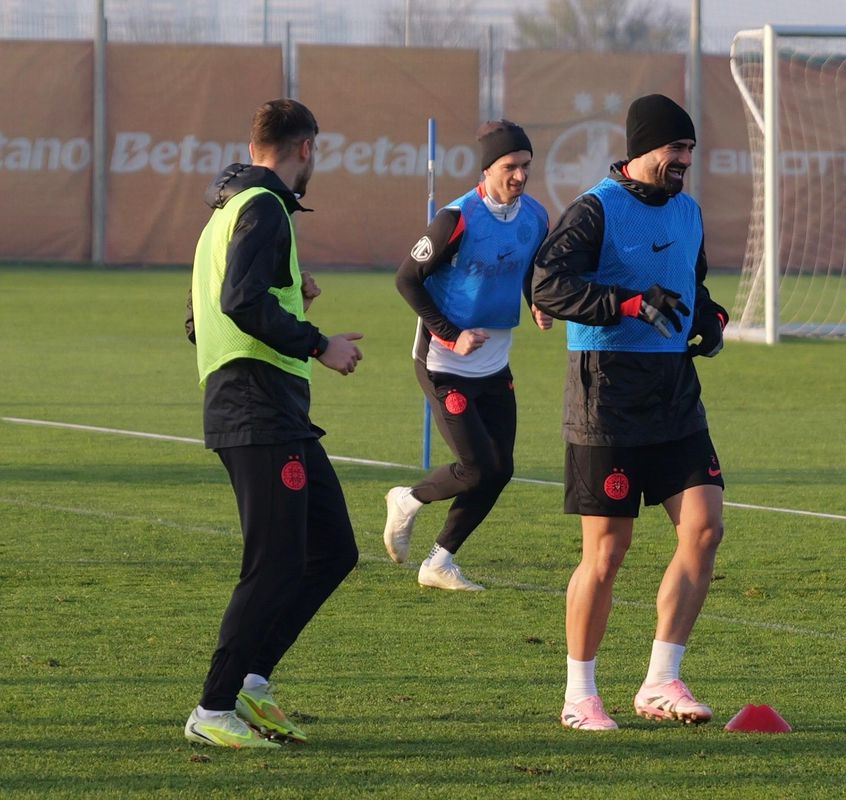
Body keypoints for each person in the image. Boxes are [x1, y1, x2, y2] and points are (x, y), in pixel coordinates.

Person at [531, 94, 729, 731]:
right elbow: (547, 284)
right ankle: (579, 694)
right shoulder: (596, 208)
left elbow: (690, 285)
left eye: (691, 152)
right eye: (676, 151)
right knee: (607, 551)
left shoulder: (690, 211)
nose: (684, 163)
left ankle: (661, 680)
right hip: (606, 393)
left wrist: (709, 321)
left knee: (703, 528)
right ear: (643, 148)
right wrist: (627, 303)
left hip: (675, 391)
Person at [184, 98, 363, 748]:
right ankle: (213, 708)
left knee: (333, 548)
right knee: (274, 563)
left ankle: (253, 685)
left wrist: (292, 292)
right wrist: (320, 343)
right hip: (257, 407)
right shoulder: (262, 208)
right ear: (306, 147)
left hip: (271, 408)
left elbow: (198, 318)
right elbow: (237, 302)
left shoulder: (226, 214)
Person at [383, 120, 552, 592]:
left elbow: (526, 270)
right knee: (475, 467)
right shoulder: (455, 218)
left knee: (500, 469)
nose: (519, 176)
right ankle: (407, 499)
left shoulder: (536, 216)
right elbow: (406, 279)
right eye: (509, 167)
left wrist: (535, 302)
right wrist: (451, 334)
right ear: (486, 169)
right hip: (443, 364)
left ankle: (439, 561)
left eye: (525, 166)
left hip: (495, 364)